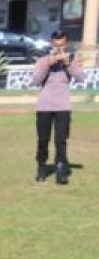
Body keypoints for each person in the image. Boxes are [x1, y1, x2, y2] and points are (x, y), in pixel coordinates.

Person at [31, 30, 85, 185]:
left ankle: (61, 169)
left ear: (66, 44)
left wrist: (68, 64)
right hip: (44, 106)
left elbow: (81, 78)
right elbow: (35, 81)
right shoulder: (43, 60)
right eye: (56, 45)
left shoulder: (72, 59)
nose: (59, 49)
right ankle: (41, 167)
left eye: (62, 45)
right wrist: (48, 63)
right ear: (52, 44)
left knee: (61, 140)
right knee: (43, 139)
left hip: (63, 106)